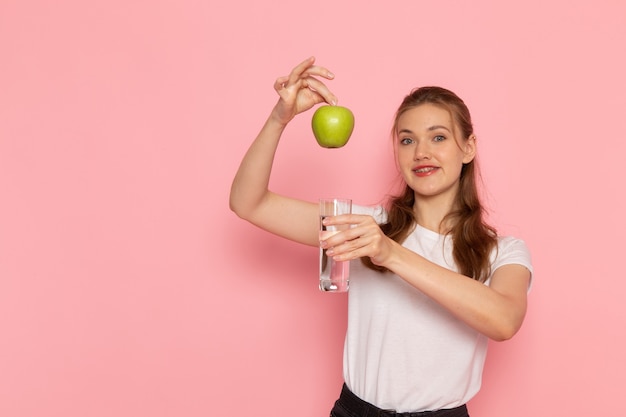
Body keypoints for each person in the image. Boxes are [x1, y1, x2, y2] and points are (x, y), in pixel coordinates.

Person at [229, 56, 533, 417]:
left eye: (438, 137)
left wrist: (389, 252)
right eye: (407, 140)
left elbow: (504, 320)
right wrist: (280, 118)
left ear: (468, 147)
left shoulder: (503, 251)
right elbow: (248, 203)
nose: (421, 152)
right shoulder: (366, 226)